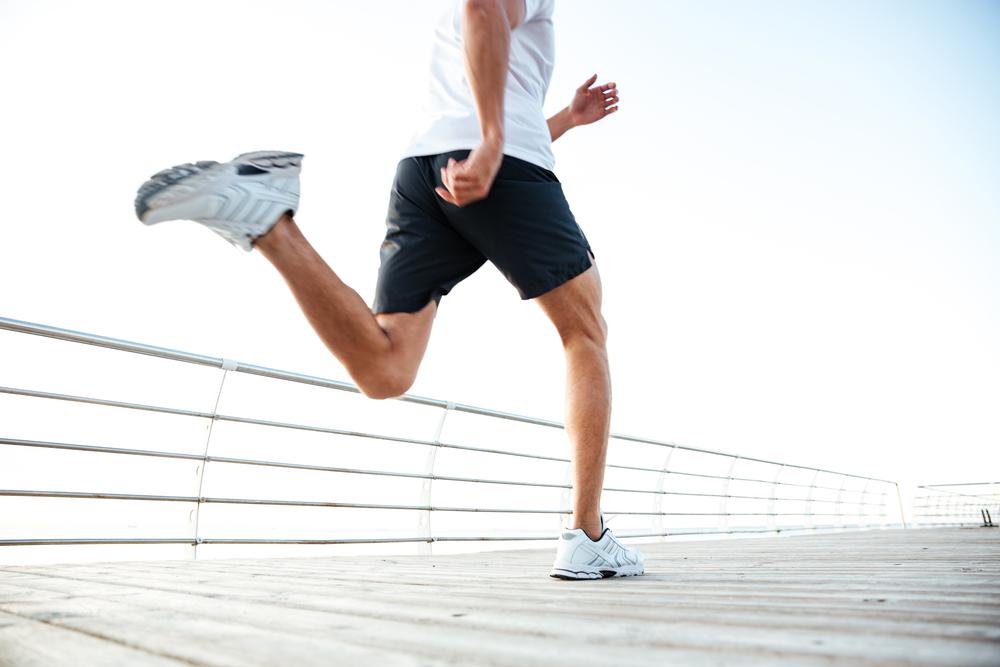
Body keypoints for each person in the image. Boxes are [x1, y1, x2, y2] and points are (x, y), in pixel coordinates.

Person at [134, 0, 644, 579]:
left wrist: (564, 122)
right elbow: (483, 8)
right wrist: (494, 142)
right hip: (499, 165)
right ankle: (587, 534)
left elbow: (484, 63)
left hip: (424, 169)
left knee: (387, 368)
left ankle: (269, 221)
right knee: (585, 332)